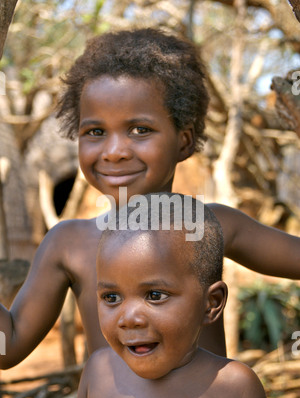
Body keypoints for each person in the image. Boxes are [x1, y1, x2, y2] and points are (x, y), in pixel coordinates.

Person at [0, 28, 299, 370]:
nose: (114, 152)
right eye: (95, 132)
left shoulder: (209, 225)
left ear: (184, 141)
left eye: (140, 129)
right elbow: (7, 347)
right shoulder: (68, 244)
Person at [0, 195, 276, 398]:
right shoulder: (100, 371)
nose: (129, 318)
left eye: (155, 295)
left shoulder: (235, 386)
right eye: (111, 298)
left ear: (211, 303)